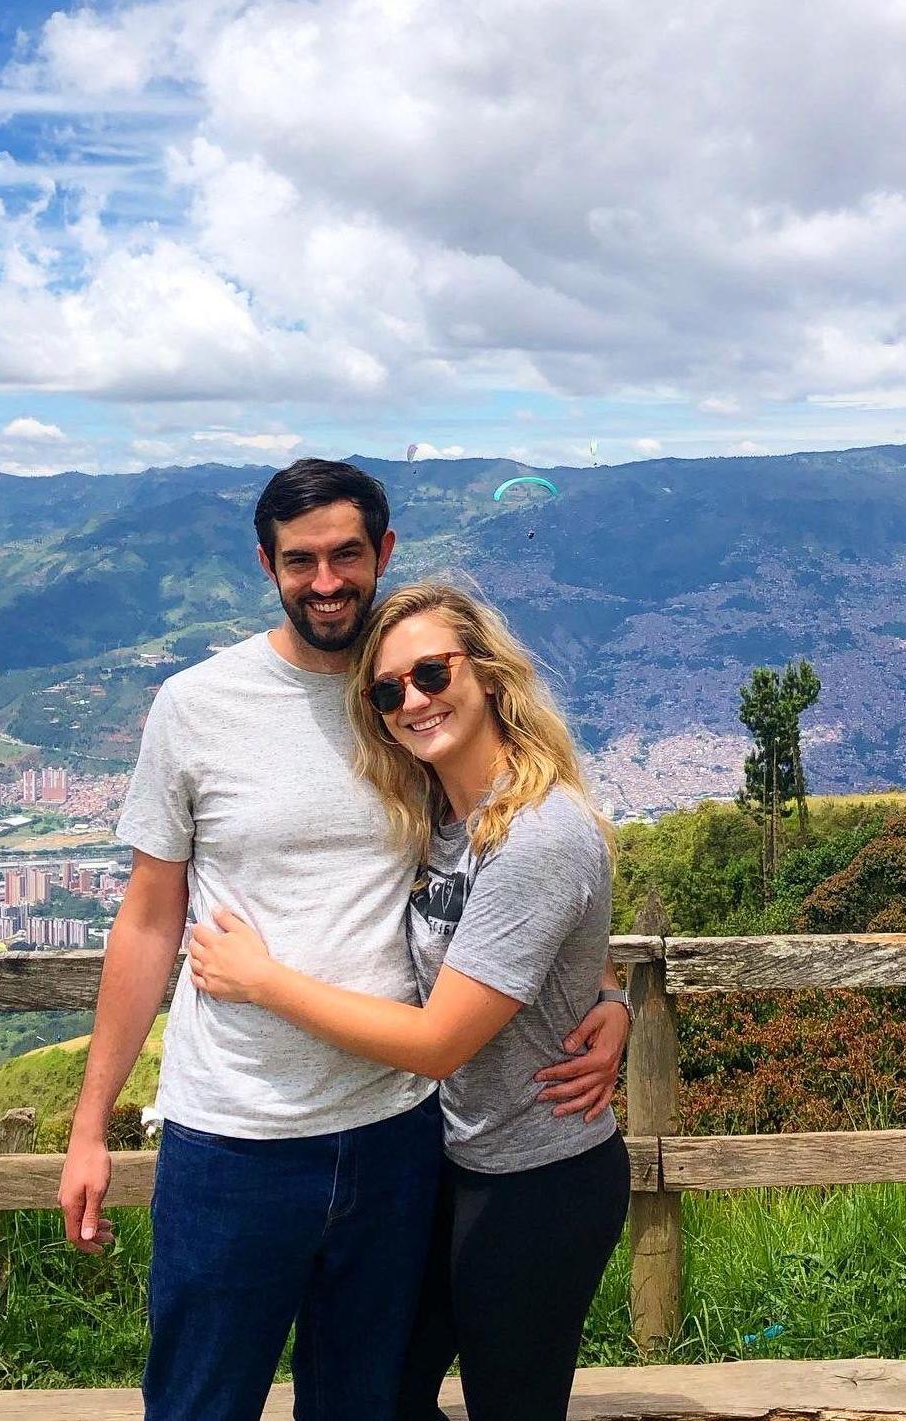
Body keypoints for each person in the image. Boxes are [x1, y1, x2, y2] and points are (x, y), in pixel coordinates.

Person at [58, 460, 627, 1421]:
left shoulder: (413, 718)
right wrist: (88, 1123)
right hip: (237, 1130)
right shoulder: (201, 706)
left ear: (383, 553)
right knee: (200, 1400)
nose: (326, 581)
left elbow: (527, 880)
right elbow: (149, 916)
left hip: (398, 1133)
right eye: (300, 560)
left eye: (346, 554)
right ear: (267, 565)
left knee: (365, 1404)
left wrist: (602, 996)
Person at [189, 580, 631, 1421]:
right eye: (388, 691)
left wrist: (261, 980)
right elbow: (561, 941)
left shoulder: (536, 830)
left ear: (490, 674)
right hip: (455, 1161)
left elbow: (437, 1042)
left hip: (539, 1178)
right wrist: (609, 993)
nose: (412, 701)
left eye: (431, 673)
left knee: (510, 1408)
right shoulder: (439, 815)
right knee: (380, 1394)